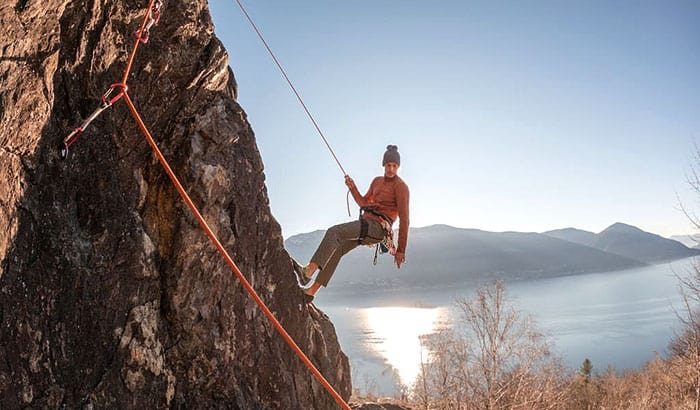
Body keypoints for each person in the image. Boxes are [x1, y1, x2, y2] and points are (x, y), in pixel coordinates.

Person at [294, 145, 410, 302]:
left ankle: (307, 272)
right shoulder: (377, 181)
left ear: (398, 167)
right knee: (338, 249)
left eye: (394, 166)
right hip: (366, 223)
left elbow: (405, 219)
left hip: (379, 228)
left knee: (334, 232)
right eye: (388, 165)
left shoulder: (401, 187)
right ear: (383, 165)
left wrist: (401, 250)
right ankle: (311, 292)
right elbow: (363, 202)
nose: (391, 169)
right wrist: (353, 188)